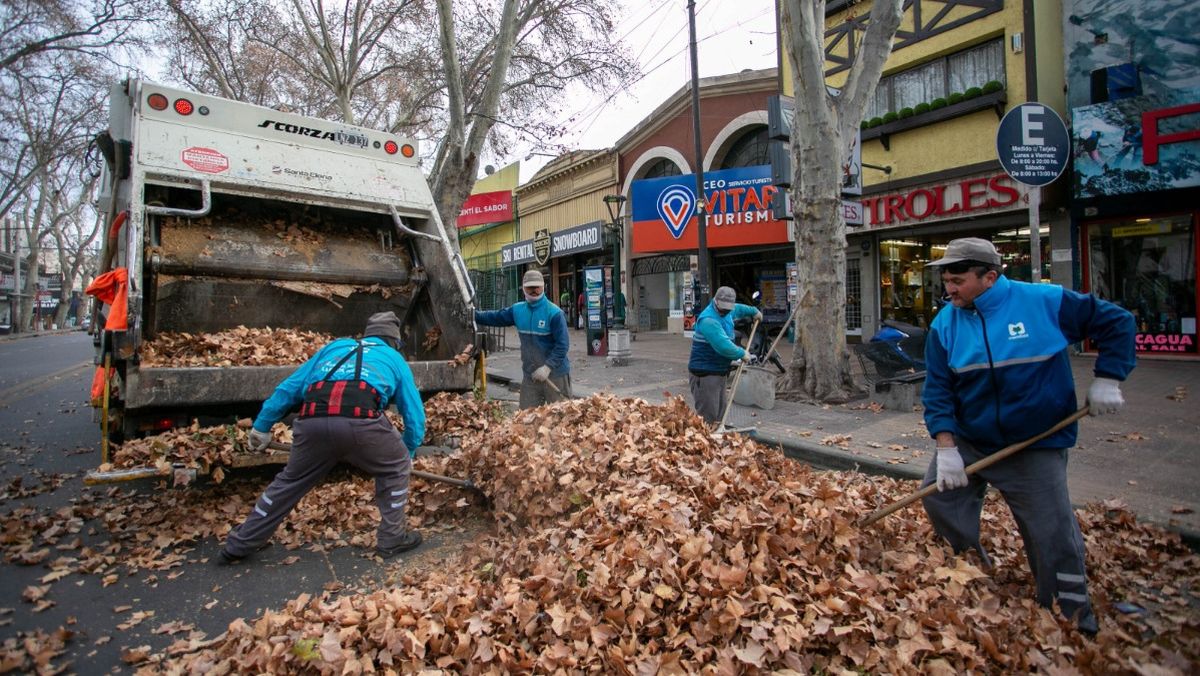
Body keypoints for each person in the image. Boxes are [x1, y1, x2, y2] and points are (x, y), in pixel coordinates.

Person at [920, 237, 1136, 636]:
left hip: (1033, 444)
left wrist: (1109, 377)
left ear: (989, 277)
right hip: (970, 440)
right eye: (946, 280)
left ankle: (1069, 612)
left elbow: (1116, 321)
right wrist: (946, 446)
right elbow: (937, 389)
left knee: (1050, 531)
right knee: (940, 499)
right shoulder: (945, 323)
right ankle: (971, 568)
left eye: (957, 280)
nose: (948, 289)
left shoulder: (1044, 302)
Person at [219, 311, 426, 563]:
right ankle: (393, 539)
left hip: (311, 423)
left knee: (290, 482)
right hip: (361, 423)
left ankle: (241, 543)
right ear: (395, 342)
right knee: (396, 467)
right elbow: (414, 417)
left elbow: (289, 388)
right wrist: (407, 452)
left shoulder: (334, 348)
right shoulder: (393, 358)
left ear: (367, 334)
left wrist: (261, 426)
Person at [476, 269, 570, 408]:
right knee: (526, 418)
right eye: (530, 287)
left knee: (560, 418)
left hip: (556, 375)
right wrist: (474, 315)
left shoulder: (554, 313)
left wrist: (547, 367)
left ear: (543, 287)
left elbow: (563, 345)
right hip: (530, 375)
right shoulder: (517, 310)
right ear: (523, 288)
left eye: (537, 287)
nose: (534, 290)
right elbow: (495, 317)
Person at [687, 286, 762, 424]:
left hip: (719, 371)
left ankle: (717, 438)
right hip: (705, 374)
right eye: (723, 308)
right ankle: (706, 441)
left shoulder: (727, 312)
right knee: (708, 415)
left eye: (728, 308)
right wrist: (742, 353)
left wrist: (753, 311)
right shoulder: (708, 320)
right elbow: (723, 347)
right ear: (716, 302)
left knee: (721, 411)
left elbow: (738, 309)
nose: (726, 311)